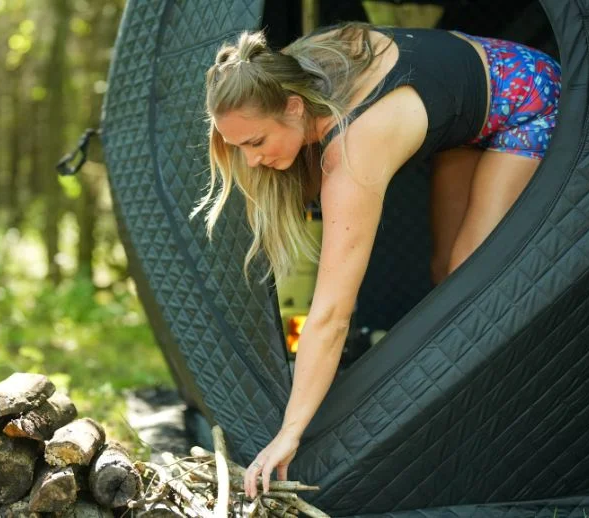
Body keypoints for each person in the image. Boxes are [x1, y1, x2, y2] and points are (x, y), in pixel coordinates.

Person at [190, 22, 560, 499]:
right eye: (237, 147)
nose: (251, 161)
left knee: (468, 278)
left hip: (527, 95)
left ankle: (495, 434)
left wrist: (290, 433)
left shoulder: (354, 152)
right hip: (466, 113)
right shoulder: (293, 72)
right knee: (445, 275)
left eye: (256, 142)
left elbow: (331, 315)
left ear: (294, 107)